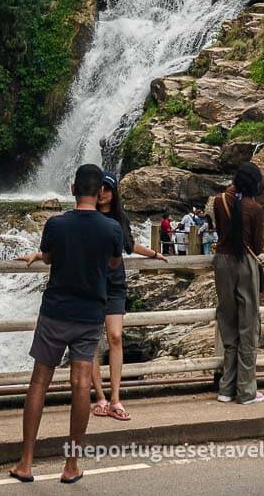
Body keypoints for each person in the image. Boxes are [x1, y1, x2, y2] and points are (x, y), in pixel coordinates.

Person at [11, 164, 123, 485]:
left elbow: (48, 258)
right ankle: (71, 464)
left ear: (73, 189)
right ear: (100, 191)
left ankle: (27, 462)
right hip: (90, 315)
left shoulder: (56, 224)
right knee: (80, 386)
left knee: (38, 384)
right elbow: (114, 263)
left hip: (55, 311)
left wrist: (39, 256)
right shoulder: (111, 229)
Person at [89, 174, 163, 421]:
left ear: (114, 191)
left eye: (107, 189)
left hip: (115, 283)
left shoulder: (120, 217)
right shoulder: (89, 214)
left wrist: (153, 253)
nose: (102, 193)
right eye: (99, 189)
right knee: (92, 341)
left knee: (116, 337)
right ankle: (99, 396)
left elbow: (129, 246)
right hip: (91, 282)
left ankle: (116, 398)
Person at [212, 162, 264, 407]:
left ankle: (226, 388)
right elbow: (257, 246)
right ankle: (246, 391)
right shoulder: (254, 208)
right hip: (245, 265)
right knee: (248, 325)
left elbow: (220, 232)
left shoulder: (218, 201)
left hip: (222, 264)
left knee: (228, 322)